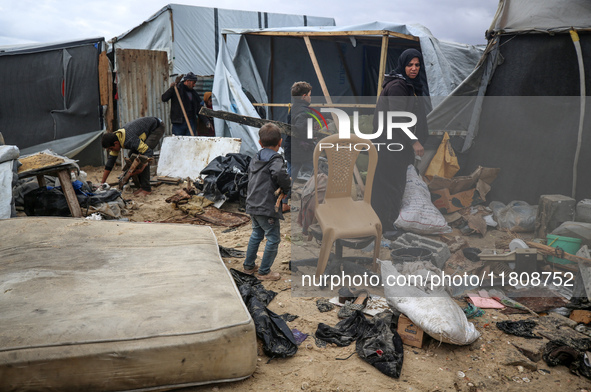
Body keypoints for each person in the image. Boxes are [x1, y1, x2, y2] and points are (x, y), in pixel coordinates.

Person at [371, 48, 428, 237]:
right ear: (402, 66)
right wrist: (414, 142)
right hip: (389, 144)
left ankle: (387, 223)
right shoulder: (397, 86)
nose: (414, 68)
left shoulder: (409, 85)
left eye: (417, 65)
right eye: (409, 65)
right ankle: (384, 226)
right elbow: (397, 117)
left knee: (393, 185)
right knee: (388, 186)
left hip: (396, 144)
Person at [243, 123, 291, 281]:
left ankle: (249, 267)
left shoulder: (256, 157)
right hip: (266, 206)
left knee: (256, 233)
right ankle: (264, 272)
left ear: (260, 143)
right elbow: (279, 173)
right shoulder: (275, 159)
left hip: (252, 204)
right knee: (273, 238)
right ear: (280, 142)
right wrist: (286, 187)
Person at [101, 116, 165, 196]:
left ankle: (146, 189)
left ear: (116, 143)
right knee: (132, 155)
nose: (112, 151)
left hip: (157, 127)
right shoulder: (115, 138)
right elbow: (110, 163)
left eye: (111, 148)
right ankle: (141, 186)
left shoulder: (129, 139)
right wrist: (102, 183)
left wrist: (141, 168)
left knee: (142, 158)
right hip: (145, 130)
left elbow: (148, 152)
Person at [161, 72, 211, 136]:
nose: (194, 85)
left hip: (191, 122)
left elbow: (199, 108)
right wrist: (172, 88)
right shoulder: (177, 89)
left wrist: (206, 121)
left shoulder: (194, 94)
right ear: (187, 81)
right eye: (193, 83)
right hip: (178, 123)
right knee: (178, 142)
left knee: (190, 143)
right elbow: (164, 98)